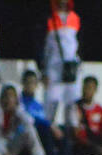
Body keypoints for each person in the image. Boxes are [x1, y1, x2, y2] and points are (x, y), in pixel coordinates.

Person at [0, 85, 54, 155]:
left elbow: (30, 122)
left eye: (12, 96)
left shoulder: (18, 113)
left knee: (29, 130)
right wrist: (3, 151)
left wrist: (18, 111)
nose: (9, 99)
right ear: (1, 98)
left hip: (9, 146)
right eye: (6, 96)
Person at [40, 0, 81, 145]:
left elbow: (78, 43)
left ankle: (70, 146)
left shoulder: (75, 17)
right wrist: (43, 69)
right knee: (51, 105)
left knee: (71, 107)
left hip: (71, 69)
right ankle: (47, 142)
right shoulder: (48, 18)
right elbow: (43, 46)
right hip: (53, 68)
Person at [66, 75, 102, 155]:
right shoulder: (74, 107)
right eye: (85, 87)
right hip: (81, 145)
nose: (86, 91)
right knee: (94, 153)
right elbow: (76, 133)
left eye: (90, 88)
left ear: (95, 90)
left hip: (97, 143)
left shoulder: (100, 110)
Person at [20, 69, 59, 155]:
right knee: (45, 130)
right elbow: (29, 119)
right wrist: (49, 125)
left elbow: (44, 118)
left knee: (63, 132)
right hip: (23, 134)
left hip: (38, 133)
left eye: (33, 83)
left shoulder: (38, 105)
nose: (30, 85)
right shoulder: (19, 102)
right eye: (27, 82)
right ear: (23, 83)